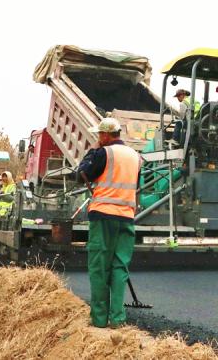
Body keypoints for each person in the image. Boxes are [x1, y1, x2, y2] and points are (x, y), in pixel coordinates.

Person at [79, 117, 141, 328]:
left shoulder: (104, 153)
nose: (98, 138)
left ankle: (98, 319)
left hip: (103, 215)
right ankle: (117, 319)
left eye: (99, 135)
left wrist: (93, 150)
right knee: (119, 267)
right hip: (126, 217)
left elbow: (82, 173)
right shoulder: (136, 156)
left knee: (99, 267)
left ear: (105, 135)